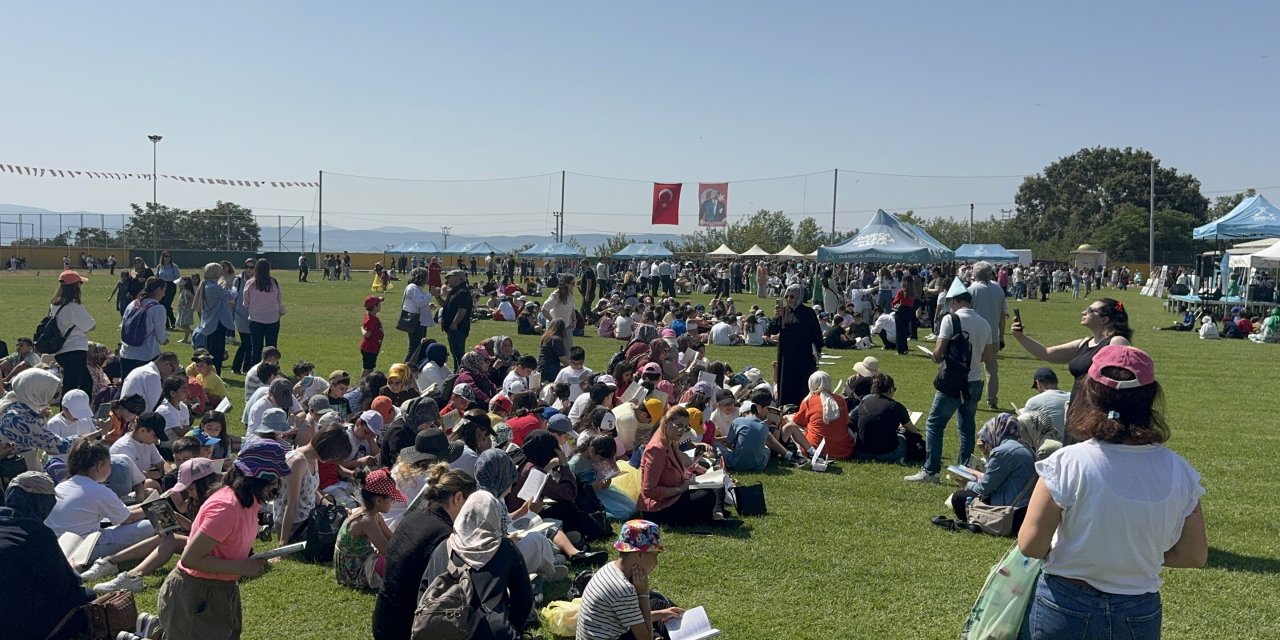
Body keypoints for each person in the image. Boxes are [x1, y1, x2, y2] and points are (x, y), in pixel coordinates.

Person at [1017, 346, 1207, 638]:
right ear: (1149, 397)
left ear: (1088, 393)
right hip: (1138, 608)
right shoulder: (1179, 470)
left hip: (1065, 602)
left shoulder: (1065, 463)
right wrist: (1134, 554)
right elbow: (1194, 555)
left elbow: (1031, 544)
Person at [156, 440, 286, 640]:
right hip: (197, 594)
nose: (276, 484)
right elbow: (191, 558)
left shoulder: (249, 501)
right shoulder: (226, 507)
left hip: (221, 590)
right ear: (257, 478)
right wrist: (243, 568)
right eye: (273, 478)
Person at [371, 464, 477, 640]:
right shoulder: (444, 535)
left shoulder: (413, 518)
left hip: (383, 621)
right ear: (458, 498)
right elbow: (448, 594)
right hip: (407, 630)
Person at [906, 278, 995, 484]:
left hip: (953, 381)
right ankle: (963, 470)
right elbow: (988, 357)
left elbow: (938, 353)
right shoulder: (984, 322)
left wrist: (938, 356)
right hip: (975, 379)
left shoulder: (950, 319)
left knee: (935, 424)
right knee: (966, 427)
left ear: (954, 301)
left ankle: (931, 470)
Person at [420, 490, 534, 640]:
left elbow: (424, 591)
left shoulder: (443, 547)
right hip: (491, 632)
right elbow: (524, 599)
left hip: (440, 630)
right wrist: (511, 628)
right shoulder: (504, 549)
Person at [0, 472, 94, 640]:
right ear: (41, 502)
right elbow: (62, 588)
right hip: (19, 626)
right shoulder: (37, 533)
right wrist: (72, 571)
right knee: (87, 595)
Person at [575, 519, 685, 640]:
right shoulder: (623, 589)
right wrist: (642, 594)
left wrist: (662, 614)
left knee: (656, 602)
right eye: (655, 555)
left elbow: (632, 617)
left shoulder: (610, 568)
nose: (656, 562)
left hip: (610, 633)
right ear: (638, 554)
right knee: (653, 602)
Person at [1011, 297, 1132, 400]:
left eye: (1090, 310)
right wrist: (1020, 337)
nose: (1084, 312)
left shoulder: (1117, 342)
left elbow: (1120, 382)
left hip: (1098, 414)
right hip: (1078, 411)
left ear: (1104, 319)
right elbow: (1046, 353)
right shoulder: (1084, 343)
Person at [638, 406, 737, 527]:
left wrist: (689, 480)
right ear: (667, 422)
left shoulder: (671, 442)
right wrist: (681, 489)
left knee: (716, 484)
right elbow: (649, 491)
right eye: (679, 425)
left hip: (674, 497)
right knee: (707, 495)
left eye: (685, 427)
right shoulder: (656, 450)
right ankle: (714, 515)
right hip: (658, 509)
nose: (682, 430)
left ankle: (717, 516)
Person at [944, 413, 1036, 531]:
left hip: (1011, 512)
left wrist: (966, 484)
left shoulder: (1002, 452)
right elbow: (997, 474)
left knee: (959, 497)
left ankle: (978, 520)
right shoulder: (1023, 446)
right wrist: (986, 454)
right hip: (1025, 508)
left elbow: (984, 488)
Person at [276, 424, 354, 543]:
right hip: (295, 525)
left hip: (309, 518)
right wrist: (283, 542)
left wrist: (335, 508)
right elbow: (291, 504)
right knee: (348, 532)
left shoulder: (313, 458)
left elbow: (312, 491)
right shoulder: (298, 461)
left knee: (350, 520)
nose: (332, 460)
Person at [334, 467, 405, 590]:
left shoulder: (373, 514)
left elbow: (391, 538)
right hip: (354, 571)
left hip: (362, 559)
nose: (394, 501)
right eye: (391, 498)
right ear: (378, 500)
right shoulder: (366, 521)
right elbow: (388, 552)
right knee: (395, 563)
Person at [0, 369, 77, 472]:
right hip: (14, 475)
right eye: (55, 395)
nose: (55, 399)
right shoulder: (19, 418)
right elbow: (58, 446)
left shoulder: (13, 404)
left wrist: (40, 417)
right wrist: (97, 434)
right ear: (36, 393)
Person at [768, 284, 823, 406]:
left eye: (792, 296)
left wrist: (817, 351)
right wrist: (776, 317)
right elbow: (772, 331)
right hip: (785, 355)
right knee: (786, 383)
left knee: (802, 384)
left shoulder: (808, 312)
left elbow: (817, 335)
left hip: (803, 356)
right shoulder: (783, 312)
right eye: (786, 296)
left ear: (799, 297)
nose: (788, 299)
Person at [48, 270, 97, 396]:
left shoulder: (54, 305)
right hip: (75, 349)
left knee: (80, 382)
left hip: (60, 349)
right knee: (78, 385)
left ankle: (74, 411)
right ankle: (70, 412)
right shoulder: (74, 306)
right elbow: (91, 325)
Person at [967, 262, 1008, 409]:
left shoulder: (971, 290)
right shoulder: (998, 290)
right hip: (993, 335)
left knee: (971, 367)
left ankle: (970, 397)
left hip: (974, 335)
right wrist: (1002, 335)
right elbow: (1003, 316)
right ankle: (992, 400)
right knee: (992, 370)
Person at [852, 373, 918, 463]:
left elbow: (851, 418)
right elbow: (912, 430)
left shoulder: (864, 402)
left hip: (862, 452)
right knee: (903, 437)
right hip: (887, 453)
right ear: (890, 390)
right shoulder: (896, 406)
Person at [787, 371, 850, 460]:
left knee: (792, 425)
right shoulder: (841, 400)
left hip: (816, 448)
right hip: (843, 450)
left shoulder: (808, 401)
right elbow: (846, 421)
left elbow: (798, 422)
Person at [120, 277, 170, 379]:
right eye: (164, 290)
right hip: (146, 355)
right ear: (157, 290)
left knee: (126, 388)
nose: (164, 294)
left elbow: (123, 326)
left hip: (126, 353)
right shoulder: (158, 309)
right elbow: (161, 337)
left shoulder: (132, 304)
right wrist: (166, 339)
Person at [194, 263, 235, 374]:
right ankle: (215, 373)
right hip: (216, 323)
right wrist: (234, 286)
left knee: (212, 349)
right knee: (217, 351)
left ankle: (211, 372)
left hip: (210, 322)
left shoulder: (206, 284)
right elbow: (231, 295)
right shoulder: (214, 287)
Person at [244, 258, 283, 370]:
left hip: (256, 319)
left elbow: (246, 302)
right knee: (272, 346)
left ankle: (256, 371)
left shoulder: (250, 283)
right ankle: (273, 369)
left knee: (256, 348)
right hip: (272, 319)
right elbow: (279, 299)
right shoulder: (274, 282)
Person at [441, 269, 474, 369]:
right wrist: (438, 297)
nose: (448, 281)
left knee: (459, 355)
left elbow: (462, 310)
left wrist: (455, 323)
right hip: (451, 328)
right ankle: (457, 372)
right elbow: (445, 306)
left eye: (450, 278)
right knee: (455, 354)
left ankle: (461, 373)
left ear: (458, 279)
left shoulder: (463, 292)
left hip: (458, 328)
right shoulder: (454, 291)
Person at [401, 267, 435, 362]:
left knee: (419, 347)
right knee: (414, 348)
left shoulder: (417, 288)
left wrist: (428, 305)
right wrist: (430, 294)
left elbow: (416, 304)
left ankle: (412, 369)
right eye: (427, 276)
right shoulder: (413, 287)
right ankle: (404, 370)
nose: (428, 278)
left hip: (420, 321)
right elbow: (419, 303)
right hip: (416, 322)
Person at [1024, 367, 1070, 436]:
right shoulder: (1073, 396)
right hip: (1073, 443)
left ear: (1038, 383)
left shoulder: (1033, 402)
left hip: (1049, 444)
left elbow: (1024, 428)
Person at [539, 318, 571, 385]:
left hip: (542, 367)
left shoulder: (546, 337)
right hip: (550, 371)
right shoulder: (556, 340)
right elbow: (563, 359)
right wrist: (573, 367)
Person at [360, 294, 385, 378]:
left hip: (372, 348)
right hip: (369, 349)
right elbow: (367, 335)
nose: (380, 306)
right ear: (375, 307)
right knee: (367, 369)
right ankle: (360, 386)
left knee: (370, 368)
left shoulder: (371, 317)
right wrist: (362, 329)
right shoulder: (372, 320)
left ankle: (364, 384)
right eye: (379, 304)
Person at [156, 251, 182, 329]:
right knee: (161, 305)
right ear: (162, 257)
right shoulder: (159, 266)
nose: (167, 258)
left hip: (171, 286)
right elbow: (156, 276)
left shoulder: (174, 267)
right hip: (161, 286)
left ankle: (172, 320)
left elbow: (177, 277)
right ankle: (166, 324)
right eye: (166, 256)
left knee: (166, 305)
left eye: (169, 256)